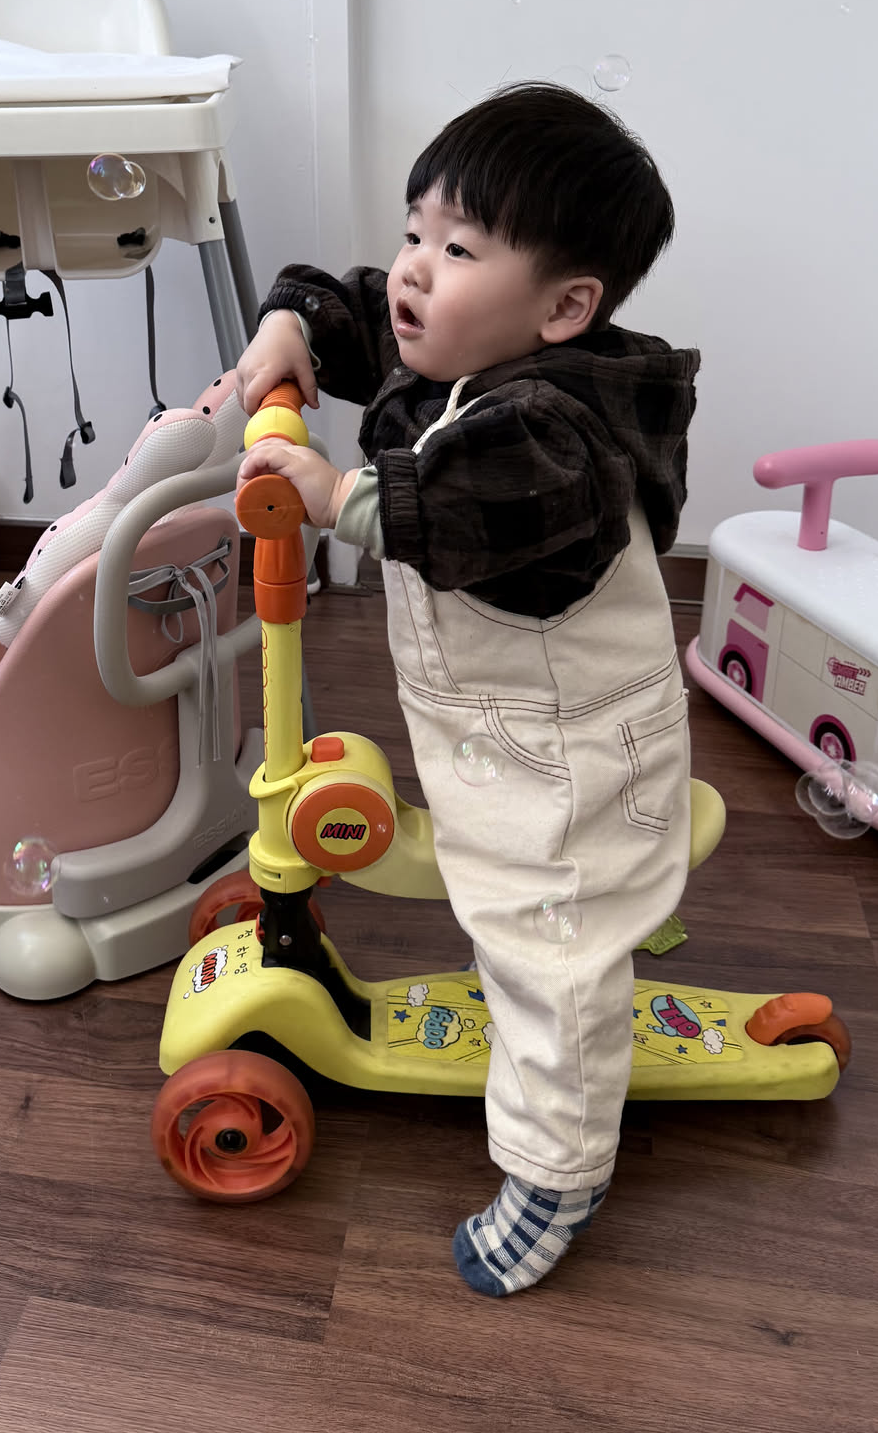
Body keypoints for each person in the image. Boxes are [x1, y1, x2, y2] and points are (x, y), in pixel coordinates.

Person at [236, 82, 700, 1297]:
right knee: (514, 906)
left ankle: (559, 1171)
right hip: (504, 729)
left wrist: (332, 495)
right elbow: (354, 307)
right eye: (414, 231)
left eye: (458, 249)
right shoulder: (465, 340)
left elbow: (445, 505)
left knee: (544, 946)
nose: (413, 270)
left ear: (565, 308)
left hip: (565, 759)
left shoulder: (554, 432)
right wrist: (289, 332)